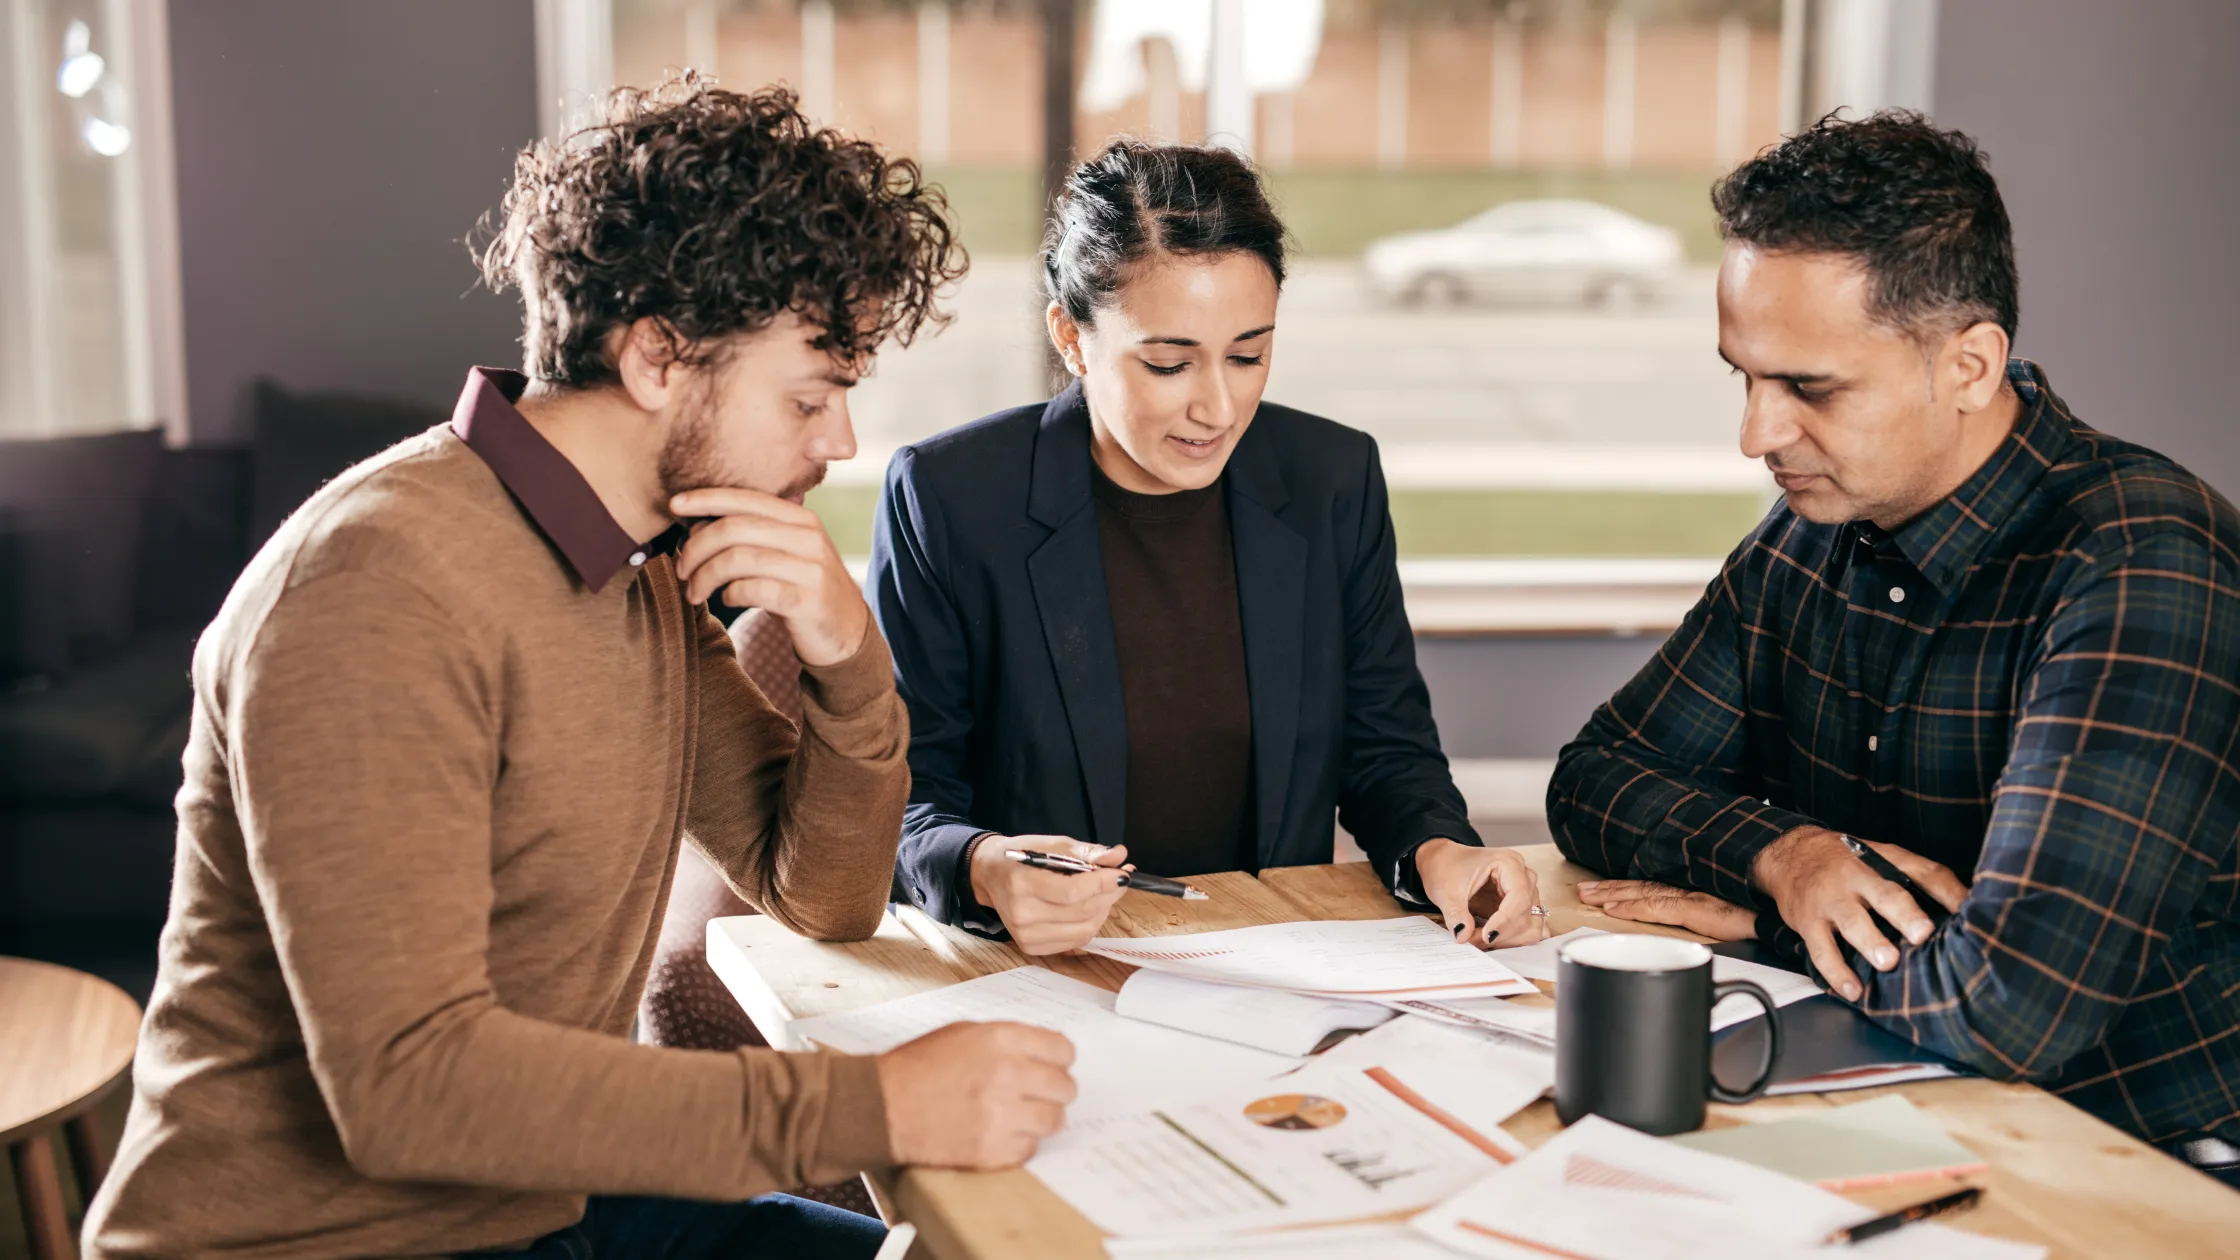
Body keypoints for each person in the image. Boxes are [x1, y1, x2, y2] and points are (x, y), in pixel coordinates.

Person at [84, 80, 1081, 1260]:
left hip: (536, 1206)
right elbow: (410, 1086)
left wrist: (847, 659)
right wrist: (878, 1108)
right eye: (809, 397)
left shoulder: (637, 572)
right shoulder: (378, 590)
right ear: (660, 357)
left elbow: (819, 894)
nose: (838, 444)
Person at [1546, 111, 2240, 1175]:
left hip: (2140, 1164)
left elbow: (2008, 1010)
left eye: (1808, 389)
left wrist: (1766, 925)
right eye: (1742, 375)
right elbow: (1596, 780)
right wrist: (1787, 860)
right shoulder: (1813, 532)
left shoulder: (2142, 565)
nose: (1755, 435)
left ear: (1966, 365)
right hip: (1895, 1101)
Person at [872, 139, 1547, 956]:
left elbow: (1385, 753)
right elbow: (907, 802)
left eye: (1249, 354)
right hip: (1040, 974)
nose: (1219, 408)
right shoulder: (951, 499)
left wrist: (1445, 855)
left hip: (1274, 974)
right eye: (1168, 363)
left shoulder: (1332, 480)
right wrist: (985, 866)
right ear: (1072, 338)